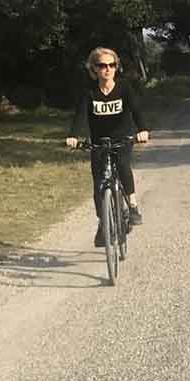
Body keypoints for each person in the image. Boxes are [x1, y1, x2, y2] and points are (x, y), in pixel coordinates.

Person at [65, 47, 150, 246]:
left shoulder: (124, 88)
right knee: (98, 184)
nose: (107, 69)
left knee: (122, 166)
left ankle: (133, 205)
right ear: (94, 69)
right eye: (102, 65)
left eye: (112, 65)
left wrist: (143, 130)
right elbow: (80, 116)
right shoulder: (89, 92)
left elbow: (136, 110)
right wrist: (72, 136)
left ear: (116, 67)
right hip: (98, 142)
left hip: (122, 139)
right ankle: (103, 223)